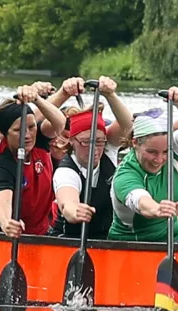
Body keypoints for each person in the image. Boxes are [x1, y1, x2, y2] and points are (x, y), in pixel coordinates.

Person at [109, 87, 178, 242]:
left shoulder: (172, 150)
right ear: (135, 143)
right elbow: (139, 200)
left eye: (165, 152)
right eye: (152, 152)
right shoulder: (125, 174)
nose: (159, 159)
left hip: (175, 240)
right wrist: (156, 209)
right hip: (134, 247)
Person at [50, 76, 133, 240]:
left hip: (106, 239)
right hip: (68, 239)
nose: (95, 149)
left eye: (99, 141)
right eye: (86, 142)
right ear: (72, 141)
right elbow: (67, 203)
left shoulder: (108, 149)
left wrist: (110, 95)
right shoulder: (66, 171)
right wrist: (75, 211)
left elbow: (128, 125)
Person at [0, 85, 66, 238]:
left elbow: (60, 123)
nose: (27, 135)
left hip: (41, 233)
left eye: (31, 127)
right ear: (2, 134)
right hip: (8, 235)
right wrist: (7, 222)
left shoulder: (39, 140)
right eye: (18, 130)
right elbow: (2, 200)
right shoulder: (3, 163)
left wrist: (37, 99)